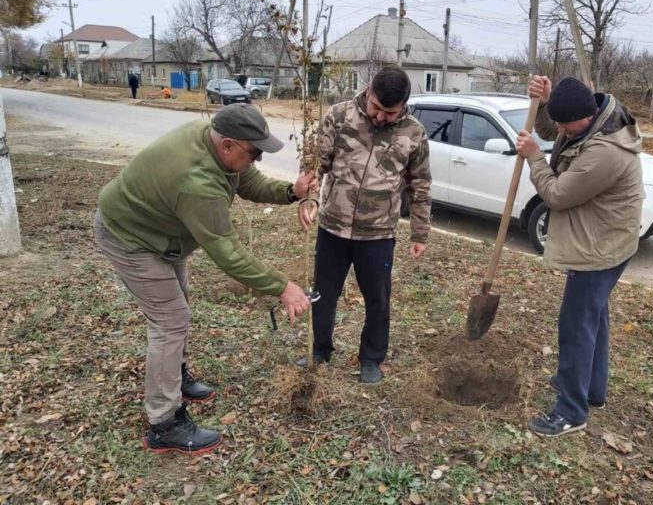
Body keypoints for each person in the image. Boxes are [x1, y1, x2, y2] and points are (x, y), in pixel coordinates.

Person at [94, 104, 318, 454]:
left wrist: (291, 191)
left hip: (161, 234)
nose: (257, 159)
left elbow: (247, 180)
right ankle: (164, 423)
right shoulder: (197, 181)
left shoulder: (213, 140)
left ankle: (175, 377)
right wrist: (282, 286)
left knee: (178, 307)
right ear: (227, 144)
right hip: (131, 238)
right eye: (254, 153)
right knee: (170, 320)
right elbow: (227, 253)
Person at [516, 76, 643, 438]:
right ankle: (592, 390)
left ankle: (571, 412)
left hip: (600, 249)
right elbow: (555, 130)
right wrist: (545, 103)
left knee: (575, 326)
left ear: (584, 118)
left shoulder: (605, 152)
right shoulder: (592, 122)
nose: (558, 130)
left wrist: (534, 157)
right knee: (593, 318)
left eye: (564, 124)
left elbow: (556, 195)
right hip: (608, 240)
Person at [299, 64, 432, 384]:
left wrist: (420, 232)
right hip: (333, 226)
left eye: (390, 112)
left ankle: (372, 358)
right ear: (368, 91)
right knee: (323, 294)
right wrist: (309, 199)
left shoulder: (413, 133)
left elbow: (420, 185)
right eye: (376, 107)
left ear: (403, 106)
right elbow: (316, 164)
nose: (380, 117)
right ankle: (320, 349)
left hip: (378, 234)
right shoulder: (340, 115)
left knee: (378, 300)